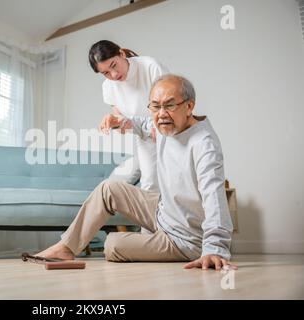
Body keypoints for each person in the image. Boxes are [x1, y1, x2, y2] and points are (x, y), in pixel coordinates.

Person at [36, 74, 237, 270]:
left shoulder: (204, 144)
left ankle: (192, 247)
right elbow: (144, 123)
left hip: (186, 239)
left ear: (189, 106)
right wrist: (121, 122)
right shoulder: (166, 123)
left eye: (169, 105)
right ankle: (66, 247)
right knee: (109, 189)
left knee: (112, 245)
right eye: (155, 106)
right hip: (163, 211)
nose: (161, 113)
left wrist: (214, 249)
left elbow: (215, 199)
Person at [90, 40, 167, 193]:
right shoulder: (108, 87)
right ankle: (152, 217)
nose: (113, 74)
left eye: (114, 65)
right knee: (150, 185)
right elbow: (124, 122)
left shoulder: (151, 67)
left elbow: (171, 102)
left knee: (177, 181)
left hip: (170, 130)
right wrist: (115, 122)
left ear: (121, 54)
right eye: (105, 73)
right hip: (145, 136)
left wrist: (160, 125)